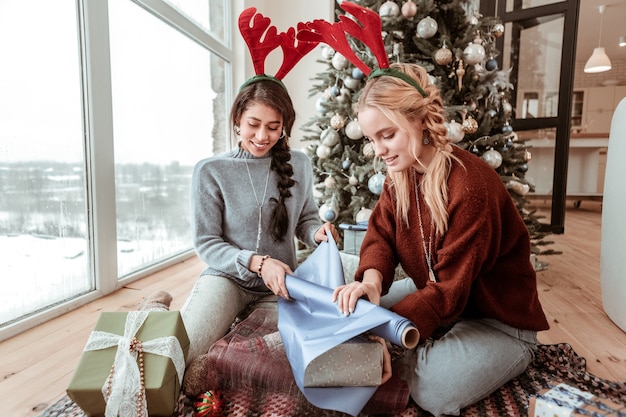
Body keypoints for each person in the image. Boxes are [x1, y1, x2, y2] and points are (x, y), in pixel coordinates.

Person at [332, 63, 549, 417]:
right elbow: (380, 236)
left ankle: (422, 352)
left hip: (498, 320)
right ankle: (418, 343)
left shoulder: (470, 185)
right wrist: (371, 283)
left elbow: (449, 292)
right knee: (354, 311)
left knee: (433, 390)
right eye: (373, 140)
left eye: (387, 135)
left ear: (419, 120)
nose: (379, 151)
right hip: (445, 299)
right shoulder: (399, 175)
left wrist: (385, 337)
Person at [156, 75, 338, 395]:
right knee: (177, 357)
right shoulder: (211, 170)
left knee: (288, 362)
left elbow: (306, 220)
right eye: (253, 123)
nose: (262, 136)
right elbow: (207, 243)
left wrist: (317, 234)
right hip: (227, 278)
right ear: (237, 119)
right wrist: (257, 262)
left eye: (273, 126)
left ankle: (222, 358)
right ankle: (154, 310)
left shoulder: (300, 164)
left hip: (280, 286)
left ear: (285, 126)